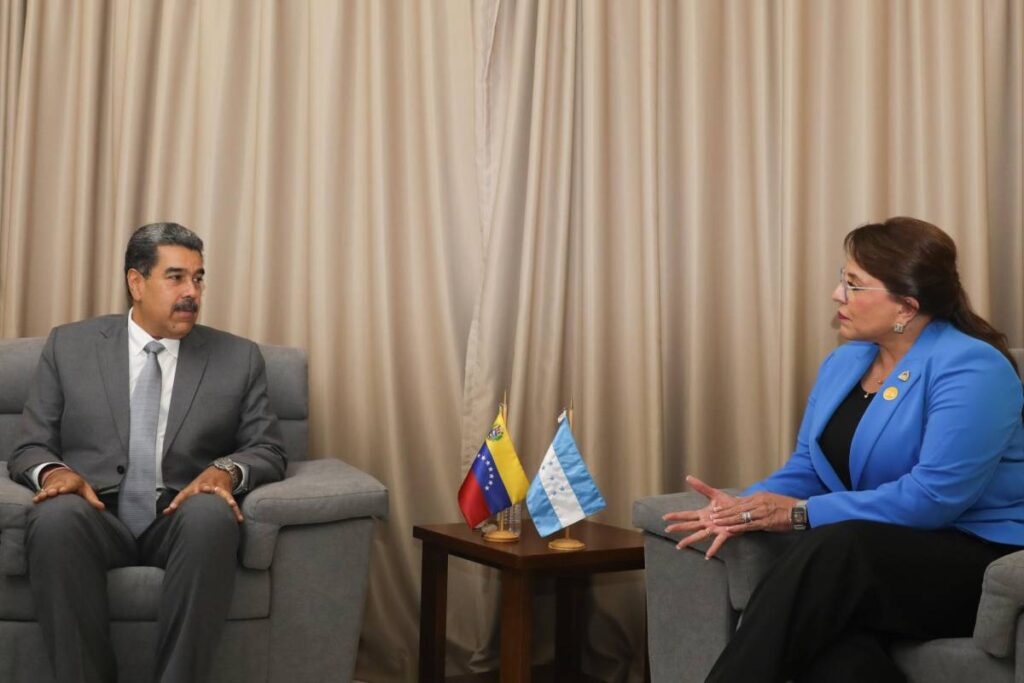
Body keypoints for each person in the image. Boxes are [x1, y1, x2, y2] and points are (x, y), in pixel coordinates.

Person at [663, 217, 1024, 682]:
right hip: (880, 560)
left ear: (906, 307)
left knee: (836, 548)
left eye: (854, 285)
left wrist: (798, 513)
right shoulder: (844, 362)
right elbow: (810, 468)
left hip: (977, 560)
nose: (837, 295)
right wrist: (744, 507)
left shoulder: (973, 367)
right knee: (836, 653)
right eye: (842, 279)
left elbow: (933, 499)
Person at [9, 223, 287, 683]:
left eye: (198, 279)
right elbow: (31, 444)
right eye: (176, 278)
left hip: (178, 512)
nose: (191, 292)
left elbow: (268, 447)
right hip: (94, 509)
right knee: (54, 518)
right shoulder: (69, 346)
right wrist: (55, 473)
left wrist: (225, 472)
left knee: (212, 516)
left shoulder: (238, 357)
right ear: (136, 283)